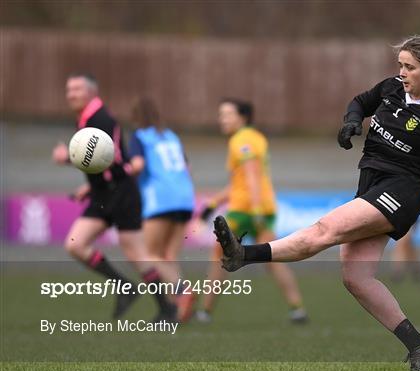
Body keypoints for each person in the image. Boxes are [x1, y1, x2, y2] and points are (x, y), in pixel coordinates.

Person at [212, 35, 420, 371]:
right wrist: (350, 121)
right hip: (372, 184)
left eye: (409, 67)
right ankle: (419, 345)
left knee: (324, 230)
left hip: (401, 192)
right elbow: (360, 101)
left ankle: (243, 255)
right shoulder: (392, 88)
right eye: (400, 65)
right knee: (356, 277)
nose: (401, 72)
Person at [51, 73, 177, 322]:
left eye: (76, 89)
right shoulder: (88, 118)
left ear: (92, 92)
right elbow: (100, 162)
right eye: (68, 90)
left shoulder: (100, 118)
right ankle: (125, 287)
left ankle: (167, 308)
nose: (71, 94)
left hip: (121, 192)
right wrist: (91, 185)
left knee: (136, 254)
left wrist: (67, 158)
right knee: (75, 245)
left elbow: (110, 158)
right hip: (103, 192)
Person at [195, 98, 308, 324]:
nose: (222, 119)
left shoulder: (240, 140)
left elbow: (251, 175)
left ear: (242, 117)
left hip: (245, 210)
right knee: (273, 257)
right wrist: (214, 202)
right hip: (264, 207)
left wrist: (254, 209)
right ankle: (297, 308)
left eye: (227, 114)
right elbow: (242, 181)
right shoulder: (257, 137)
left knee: (219, 259)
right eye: (221, 114)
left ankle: (204, 312)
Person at [129, 97, 196, 320]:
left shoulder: (139, 136)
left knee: (150, 255)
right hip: (185, 197)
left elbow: (137, 165)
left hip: (160, 199)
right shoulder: (171, 136)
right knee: (169, 255)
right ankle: (174, 309)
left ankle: (181, 290)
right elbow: (187, 167)